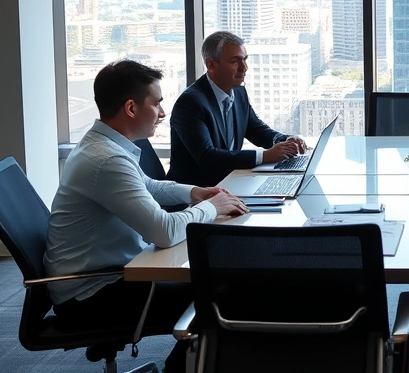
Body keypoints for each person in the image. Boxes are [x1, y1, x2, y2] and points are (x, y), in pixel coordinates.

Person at [44, 60, 249, 373]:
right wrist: (213, 207)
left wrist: (196, 193)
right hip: (93, 296)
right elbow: (164, 232)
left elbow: (148, 186)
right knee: (218, 293)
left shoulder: (104, 145)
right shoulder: (107, 160)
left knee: (212, 280)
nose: (163, 113)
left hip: (106, 276)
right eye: (156, 103)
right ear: (131, 108)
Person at [167, 31, 308, 187]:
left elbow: (256, 129)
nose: (244, 68)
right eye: (235, 61)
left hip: (230, 183)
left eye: (245, 60)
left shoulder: (239, 92)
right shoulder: (190, 102)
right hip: (195, 195)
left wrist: (284, 140)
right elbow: (207, 157)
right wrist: (265, 156)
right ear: (211, 65)